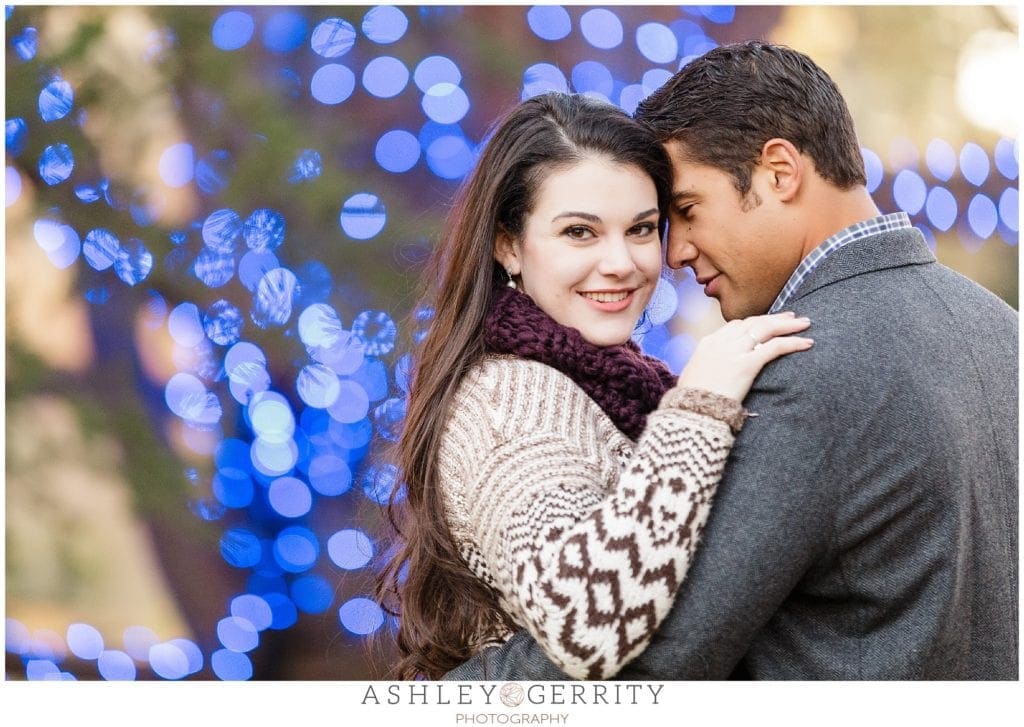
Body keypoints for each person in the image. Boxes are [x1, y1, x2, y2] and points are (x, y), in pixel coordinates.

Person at [444, 41, 1018, 680]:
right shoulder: (1002, 329)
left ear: (778, 171)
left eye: (679, 213)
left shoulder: (801, 363)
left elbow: (654, 658)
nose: (673, 253)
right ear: (508, 245)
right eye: (581, 230)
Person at [375, 91, 814, 680]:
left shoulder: (608, 382)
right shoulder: (509, 402)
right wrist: (698, 412)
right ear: (508, 243)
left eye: (640, 229)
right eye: (580, 232)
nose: (621, 263)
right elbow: (588, 625)